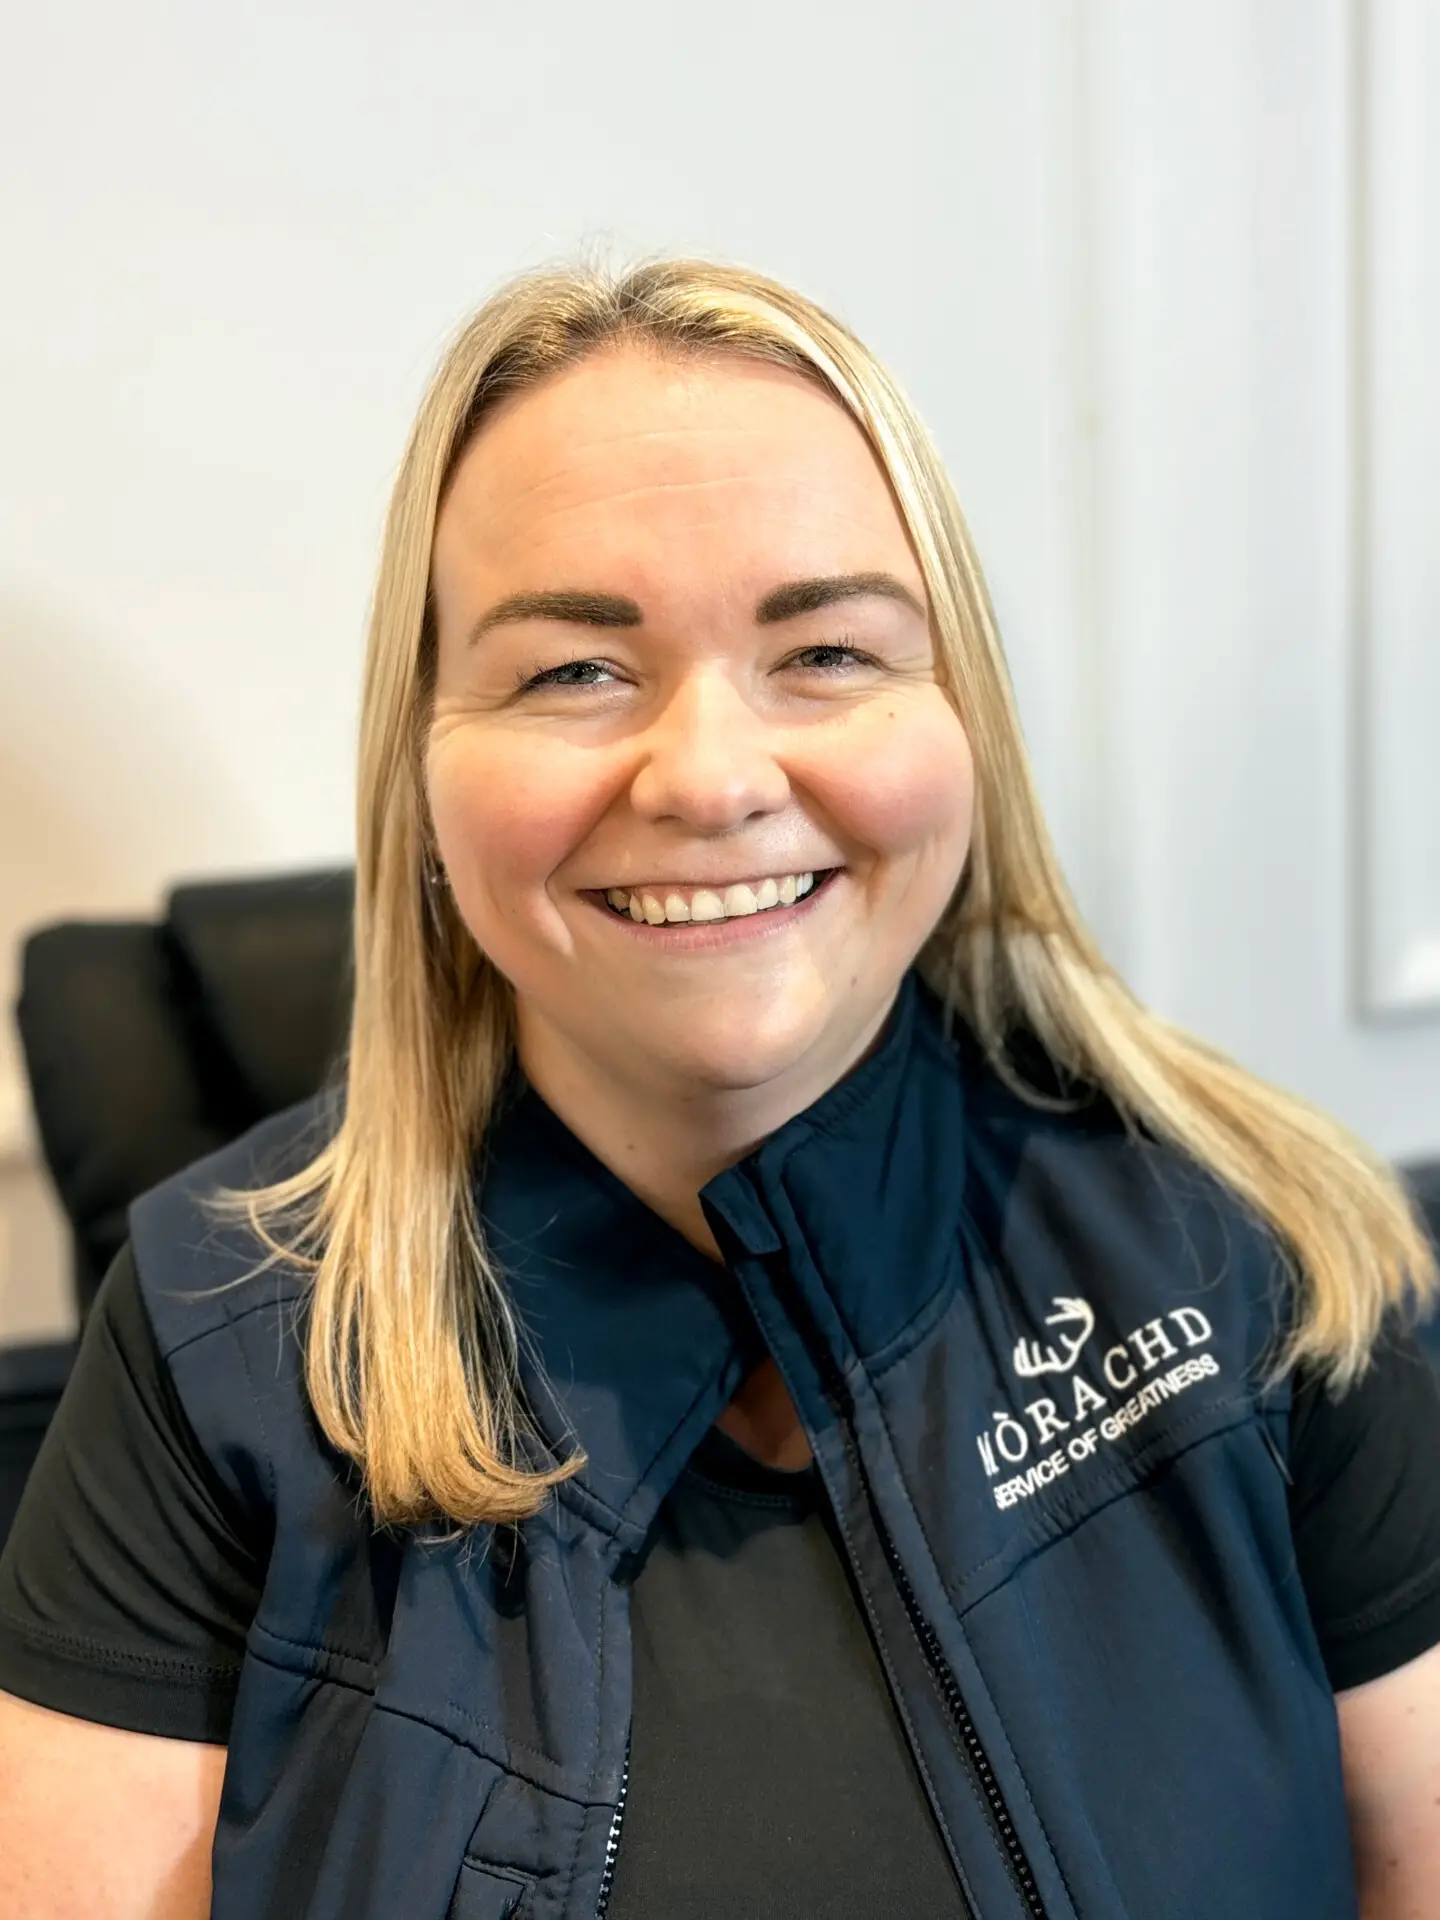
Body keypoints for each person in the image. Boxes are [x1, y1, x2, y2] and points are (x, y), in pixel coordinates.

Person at [1, 255, 1438, 1920]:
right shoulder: (215, 1336)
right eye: (573, 672)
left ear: (959, 721)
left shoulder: (1259, 1242)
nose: (709, 777)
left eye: (825, 650)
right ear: (423, 769)